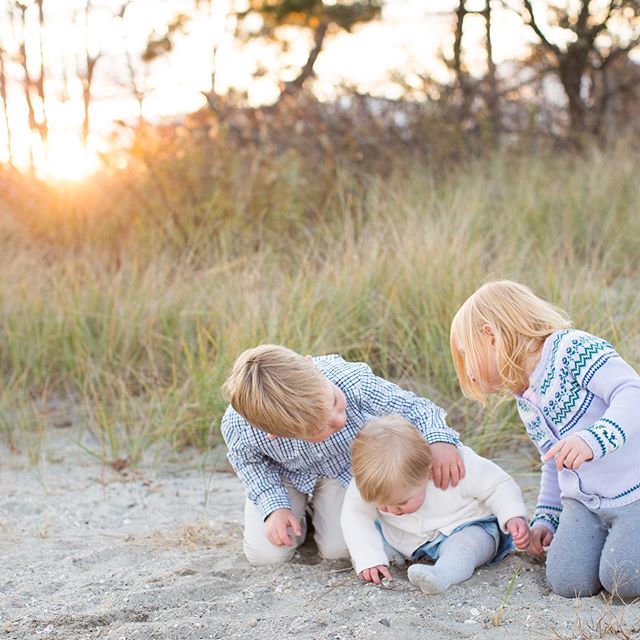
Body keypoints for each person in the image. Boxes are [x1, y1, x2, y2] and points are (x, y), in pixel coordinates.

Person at [450, 279, 640, 599]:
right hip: (585, 505)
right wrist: (547, 519)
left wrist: (593, 440)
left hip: (631, 491)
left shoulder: (571, 349)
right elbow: (554, 465)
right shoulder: (525, 397)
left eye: (467, 354)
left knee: (622, 579)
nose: (468, 372)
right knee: (567, 581)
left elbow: (631, 392)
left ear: (490, 335)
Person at [221, 344, 465, 566]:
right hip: (284, 475)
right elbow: (249, 463)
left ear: (310, 364)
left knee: (338, 549)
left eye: (335, 402)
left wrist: (439, 439)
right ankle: (299, 515)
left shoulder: (350, 380)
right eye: (321, 428)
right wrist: (273, 507)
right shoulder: (241, 427)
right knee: (266, 556)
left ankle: (320, 512)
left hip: (341, 470)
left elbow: (414, 408)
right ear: (273, 433)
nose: (339, 419)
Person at [340, 415, 530, 594]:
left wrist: (512, 515)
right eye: (382, 506)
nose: (391, 511)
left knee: (465, 546)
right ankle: (386, 563)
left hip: (464, 526)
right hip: (405, 538)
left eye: (401, 503)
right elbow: (355, 516)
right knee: (371, 542)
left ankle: (442, 574)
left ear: (427, 472)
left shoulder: (454, 465)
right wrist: (369, 558)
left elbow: (498, 485)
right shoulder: (365, 480)